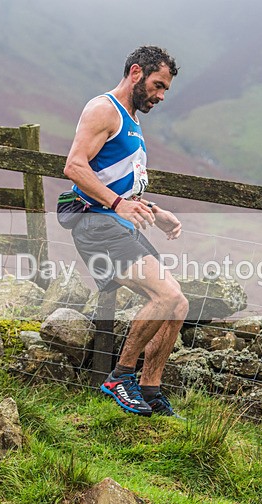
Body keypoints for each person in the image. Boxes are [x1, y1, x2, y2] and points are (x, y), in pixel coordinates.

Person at [63, 45, 188, 418]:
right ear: (136, 73)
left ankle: (150, 389)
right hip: (96, 224)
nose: (161, 96)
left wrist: (153, 210)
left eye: (165, 89)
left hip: (117, 222)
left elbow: (118, 186)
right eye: (158, 85)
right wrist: (119, 206)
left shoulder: (132, 121)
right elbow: (74, 167)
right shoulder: (104, 109)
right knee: (165, 296)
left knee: (177, 304)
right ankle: (120, 377)